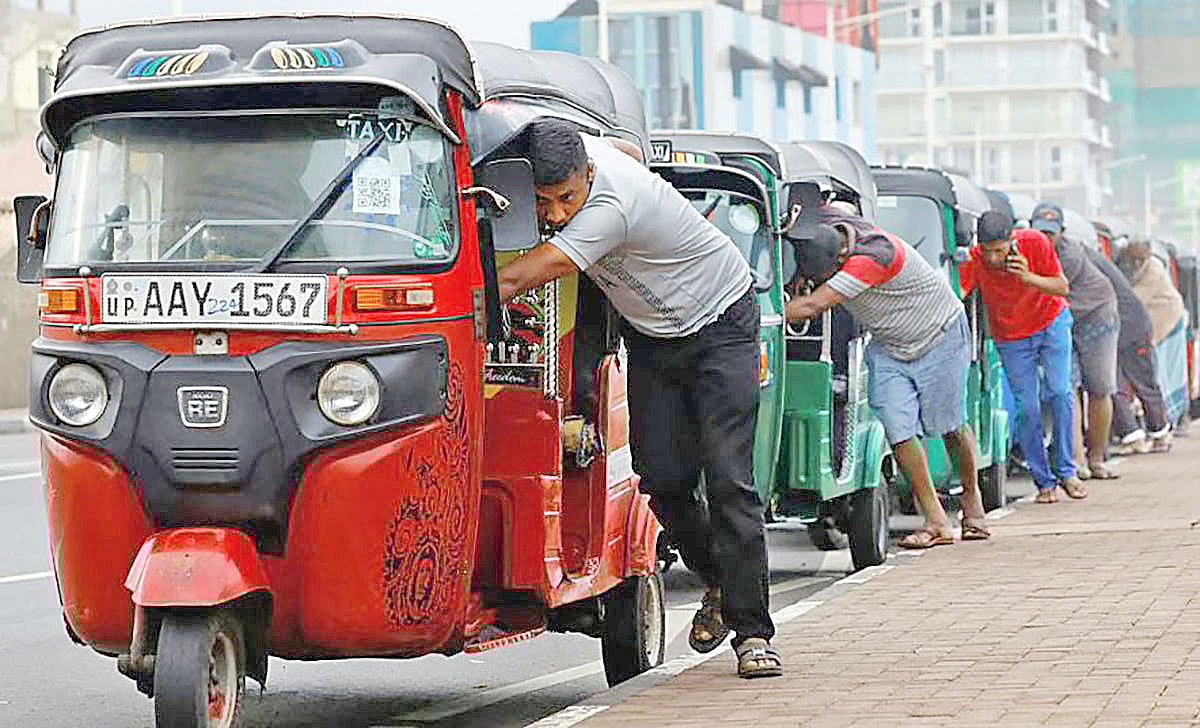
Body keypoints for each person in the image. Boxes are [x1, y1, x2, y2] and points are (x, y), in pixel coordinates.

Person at [495, 119, 780, 679]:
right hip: (654, 337)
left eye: (566, 198)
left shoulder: (610, 206)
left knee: (728, 478)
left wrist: (461, 291)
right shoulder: (595, 152)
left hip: (722, 322)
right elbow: (626, 146)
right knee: (662, 477)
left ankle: (754, 635)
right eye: (544, 202)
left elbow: (529, 273)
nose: (555, 214)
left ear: (590, 175)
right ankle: (720, 583)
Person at [784, 205, 991, 548]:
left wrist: (755, 312)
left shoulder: (874, 257)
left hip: (940, 335)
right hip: (890, 344)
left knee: (950, 425)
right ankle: (936, 521)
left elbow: (811, 307)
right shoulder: (833, 226)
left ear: (839, 261)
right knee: (899, 431)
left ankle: (972, 504)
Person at [959, 212, 1086, 504]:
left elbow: (1061, 286)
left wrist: (1027, 277)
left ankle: (1067, 470)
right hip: (1011, 336)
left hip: (1050, 322)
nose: (993, 258)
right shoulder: (975, 259)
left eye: (999, 250)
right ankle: (1044, 481)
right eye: (988, 250)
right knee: (1026, 407)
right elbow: (960, 292)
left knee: (1060, 391)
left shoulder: (1035, 242)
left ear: (1011, 241)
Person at [1031, 202, 1120, 481]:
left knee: (1099, 387)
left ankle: (1096, 459)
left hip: (1097, 316)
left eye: (1051, 233)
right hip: (1061, 320)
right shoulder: (1024, 248)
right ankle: (1076, 461)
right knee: (1066, 388)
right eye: (1040, 232)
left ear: (1062, 232)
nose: (1046, 239)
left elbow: (1049, 291)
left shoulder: (1068, 255)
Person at [1083, 245, 1172, 455]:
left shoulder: (1082, 260)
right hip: (1126, 323)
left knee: (1128, 381)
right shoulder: (1093, 258)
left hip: (1128, 325)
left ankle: (1142, 434)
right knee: (1130, 381)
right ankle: (1149, 433)